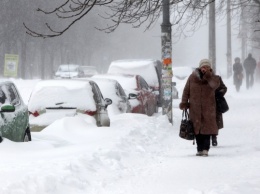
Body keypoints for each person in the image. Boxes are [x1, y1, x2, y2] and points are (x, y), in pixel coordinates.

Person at [179, 59, 220, 157]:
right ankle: (199, 149)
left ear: (209, 68)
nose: (204, 69)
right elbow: (186, 91)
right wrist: (184, 102)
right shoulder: (192, 77)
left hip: (208, 108)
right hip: (195, 108)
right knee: (197, 130)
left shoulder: (213, 78)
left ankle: (205, 149)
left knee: (207, 129)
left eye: (206, 67)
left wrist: (208, 76)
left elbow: (215, 86)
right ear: (199, 67)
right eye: (203, 67)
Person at [212, 77, 227, 146]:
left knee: (215, 120)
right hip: (204, 104)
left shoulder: (216, 78)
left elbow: (224, 88)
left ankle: (214, 137)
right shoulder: (199, 79)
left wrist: (219, 93)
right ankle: (206, 138)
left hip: (215, 103)